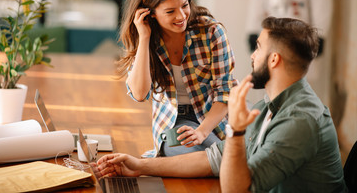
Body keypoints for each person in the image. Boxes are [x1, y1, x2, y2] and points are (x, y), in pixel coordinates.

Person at [97, 17, 346, 192]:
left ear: (273, 59)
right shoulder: (272, 105)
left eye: (257, 48)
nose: (252, 55)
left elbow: (237, 189)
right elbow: (213, 159)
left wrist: (236, 130)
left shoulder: (299, 121)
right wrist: (139, 166)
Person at [116, 0, 237, 157]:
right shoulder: (148, 38)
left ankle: (149, 165)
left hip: (213, 122)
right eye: (170, 11)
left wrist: (202, 131)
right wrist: (145, 38)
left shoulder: (211, 32)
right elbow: (139, 94)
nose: (181, 16)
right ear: (151, 13)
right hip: (173, 123)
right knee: (216, 159)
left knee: (226, 158)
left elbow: (225, 92)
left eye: (185, 5)